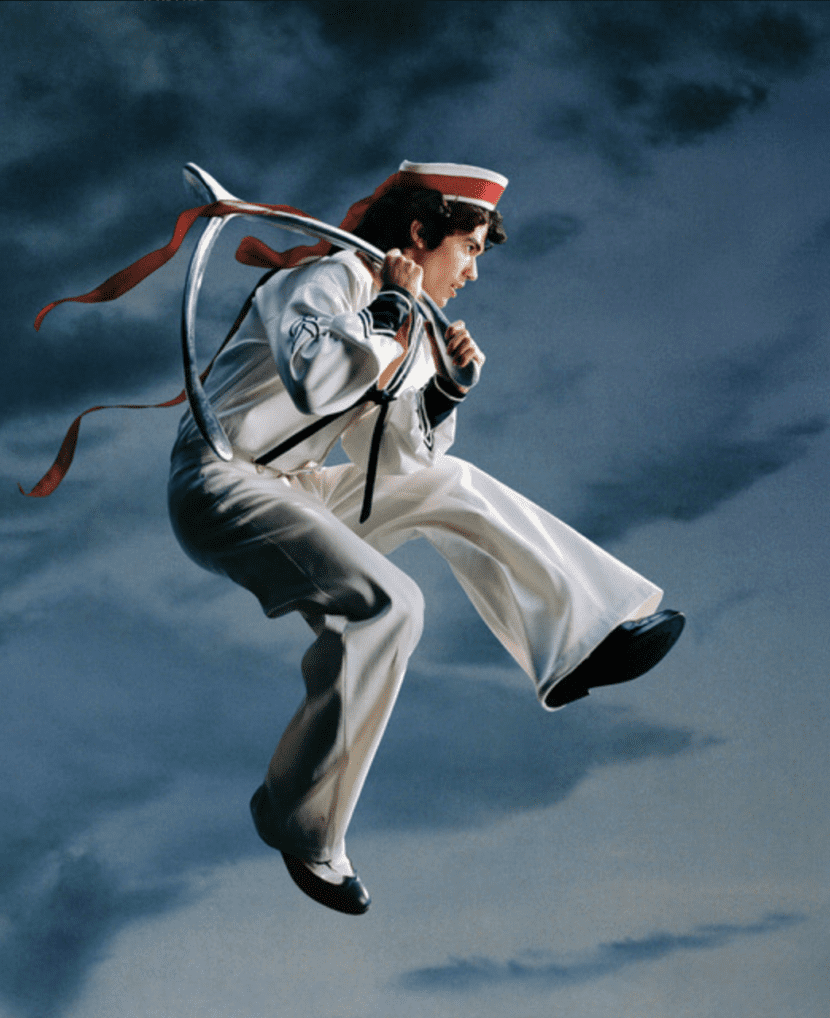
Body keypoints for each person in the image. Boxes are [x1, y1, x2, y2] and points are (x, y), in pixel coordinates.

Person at [164, 161, 685, 915]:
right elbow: (316, 378)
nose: (472, 273)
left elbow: (399, 460)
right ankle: (301, 823)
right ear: (419, 234)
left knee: (450, 482)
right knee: (391, 606)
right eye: (468, 248)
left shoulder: (401, 317)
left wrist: (442, 390)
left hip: (293, 488)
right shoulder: (323, 280)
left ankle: (583, 638)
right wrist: (388, 310)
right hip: (219, 483)